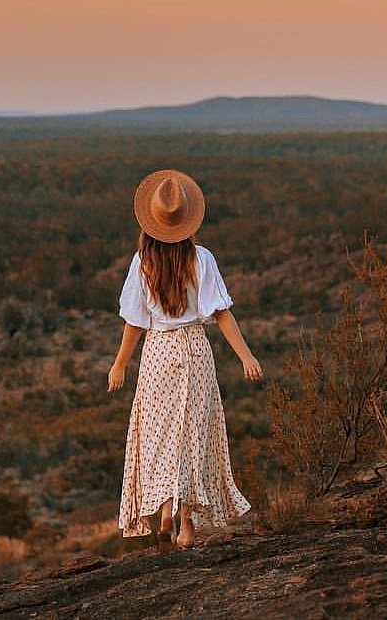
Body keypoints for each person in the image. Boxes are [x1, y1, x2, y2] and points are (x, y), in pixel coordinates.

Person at [107, 168, 263, 549]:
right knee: (190, 434)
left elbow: (135, 322)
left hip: (157, 352)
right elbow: (222, 313)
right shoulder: (201, 258)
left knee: (160, 435)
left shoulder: (142, 261)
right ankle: (187, 525)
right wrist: (246, 355)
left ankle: (163, 513)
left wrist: (120, 364)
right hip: (194, 350)